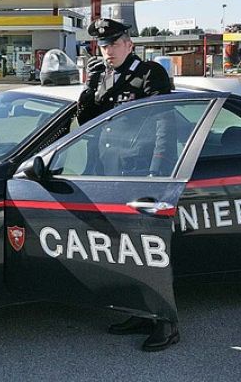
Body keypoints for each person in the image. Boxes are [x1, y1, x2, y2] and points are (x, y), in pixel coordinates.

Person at [76, 18, 179, 352]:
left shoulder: (150, 74)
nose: (107, 51)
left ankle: (166, 323)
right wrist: (89, 90)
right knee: (124, 252)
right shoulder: (104, 76)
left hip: (141, 177)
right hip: (109, 177)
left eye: (114, 44)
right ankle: (139, 312)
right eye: (103, 46)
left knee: (150, 252)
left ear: (129, 44)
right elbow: (87, 123)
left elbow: (165, 125)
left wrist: (158, 174)